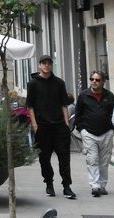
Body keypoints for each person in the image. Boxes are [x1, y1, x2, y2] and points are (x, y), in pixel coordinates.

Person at [27, 54, 76, 199]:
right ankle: (49, 183)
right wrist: (35, 125)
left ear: (51, 65)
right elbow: (30, 107)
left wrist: (66, 124)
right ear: (39, 65)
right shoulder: (33, 84)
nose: (46, 65)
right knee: (44, 158)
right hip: (42, 126)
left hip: (60, 126)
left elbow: (64, 104)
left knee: (64, 158)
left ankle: (67, 186)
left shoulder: (59, 83)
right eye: (43, 63)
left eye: (49, 63)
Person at [75, 70, 114, 197]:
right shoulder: (83, 95)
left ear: (103, 82)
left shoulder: (109, 96)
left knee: (104, 160)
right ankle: (95, 186)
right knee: (92, 159)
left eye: (97, 80)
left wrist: (112, 128)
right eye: (92, 79)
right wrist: (81, 129)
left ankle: (102, 185)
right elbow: (78, 114)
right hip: (89, 132)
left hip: (106, 132)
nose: (94, 81)